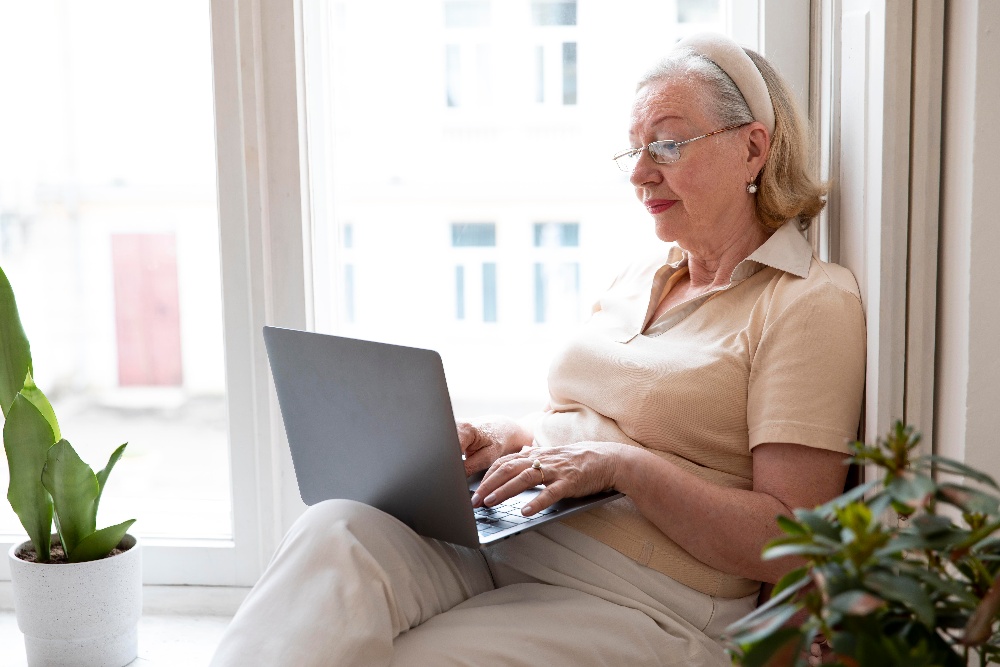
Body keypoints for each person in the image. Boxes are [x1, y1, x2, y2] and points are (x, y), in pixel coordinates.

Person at [210, 32, 865, 667]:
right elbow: (589, 417)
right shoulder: (642, 275)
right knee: (338, 530)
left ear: (752, 149)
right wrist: (512, 438)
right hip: (514, 534)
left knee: (404, 657)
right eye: (634, 150)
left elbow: (794, 542)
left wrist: (622, 468)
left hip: (649, 600)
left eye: (666, 144)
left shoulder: (808, 302)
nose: (640, 173)